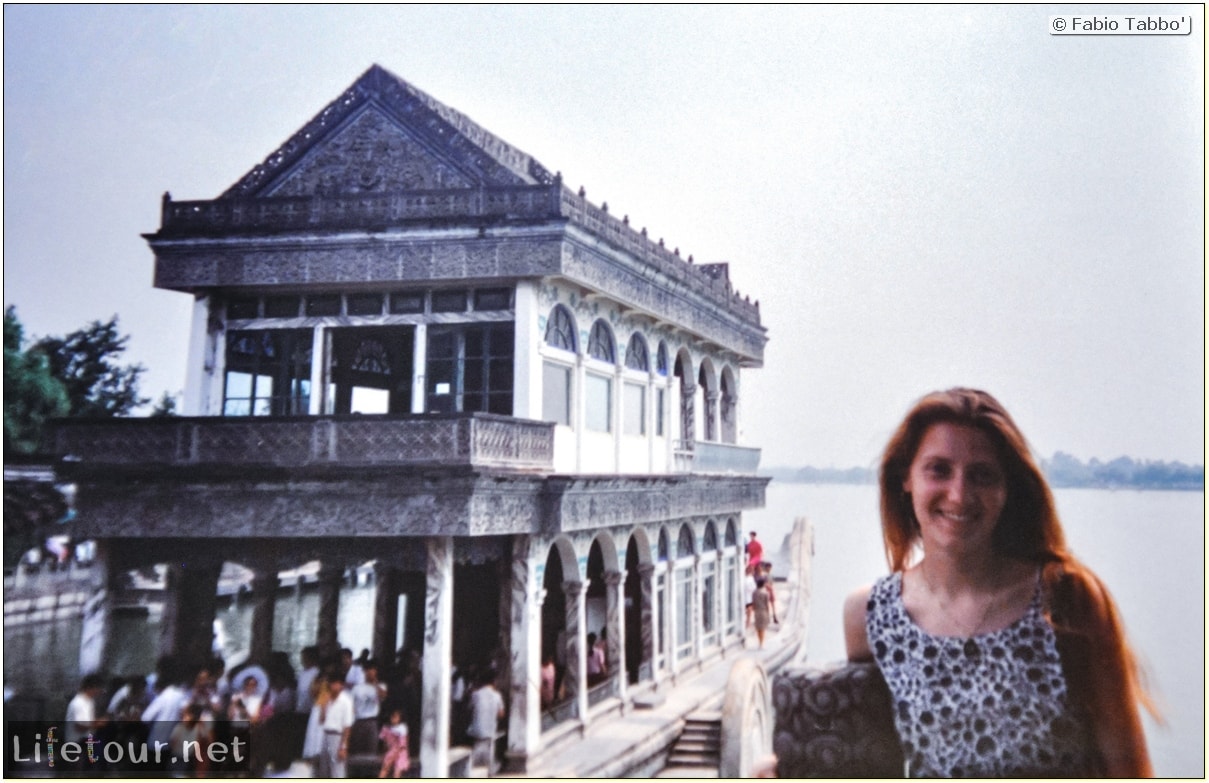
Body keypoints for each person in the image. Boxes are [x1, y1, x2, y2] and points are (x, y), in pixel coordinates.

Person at [842, 388, 1154, 777]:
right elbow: (869, 766)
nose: (959, 495)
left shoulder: (1066, 597)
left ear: (1007, 489)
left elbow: (1131, 770)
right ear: (906, 477)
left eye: (982, 475)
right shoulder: (871, 616)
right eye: (939, 470)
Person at [314, 676, 355, 777]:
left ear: (341, 685)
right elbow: (321, 720)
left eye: (336, 684)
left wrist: (343, 747)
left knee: (337, 770)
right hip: (325, 734)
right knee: (324, 769)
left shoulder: (346, 701)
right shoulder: (326, 699)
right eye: (332, 684)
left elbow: (347, 726)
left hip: (337, 736)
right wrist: (324, 706)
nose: (334, 686)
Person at [467, 672, 504, 776]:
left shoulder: (475, 694)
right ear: (494, 682)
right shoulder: (497, 696)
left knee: (478, 750)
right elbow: (501, 714)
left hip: (476, 730)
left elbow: (469, 708)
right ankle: (490, 770)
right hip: (490, 730)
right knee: (489, 751)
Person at [377, 708, 410, 778]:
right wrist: (385, 753)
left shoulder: (402, 729)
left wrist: (394, 755)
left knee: (397, 772)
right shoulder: (386, 728)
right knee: (385, 768)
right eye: (392, 717)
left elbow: (402, 745)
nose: (393, 719)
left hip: (400, 753)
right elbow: (384, 742)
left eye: (396, 717)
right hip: (390, 751)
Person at [750, 577, 772, 649]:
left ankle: (760, 641)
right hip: (763, 610)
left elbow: (753, 602)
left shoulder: (754, 592)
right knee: (762, 628)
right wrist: (768, 612)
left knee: (758, 627)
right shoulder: (765, 593)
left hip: (756, 611)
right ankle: (761, 643)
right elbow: (767, 604)